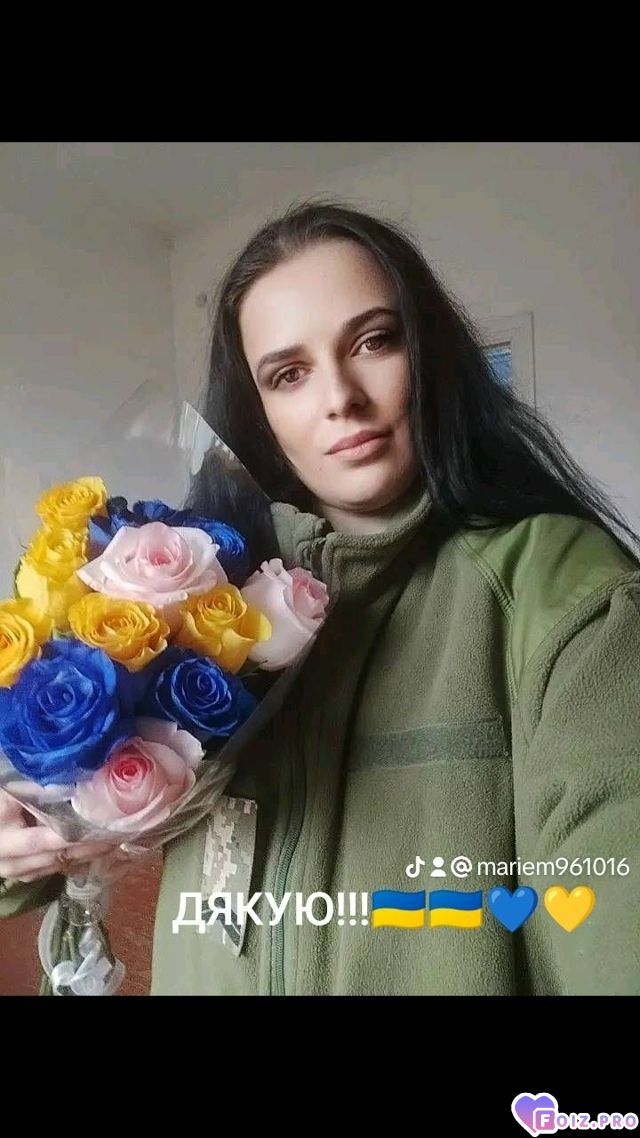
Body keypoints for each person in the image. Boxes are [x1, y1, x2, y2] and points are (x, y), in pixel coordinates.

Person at [1, 198, 640, 996]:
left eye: (374, 341)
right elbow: (61, 833)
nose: (341, 396)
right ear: (261, 411)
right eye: (289, 373)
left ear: (429, 353)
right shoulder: (193, 595)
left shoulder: (560, 588)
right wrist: (29, 839)